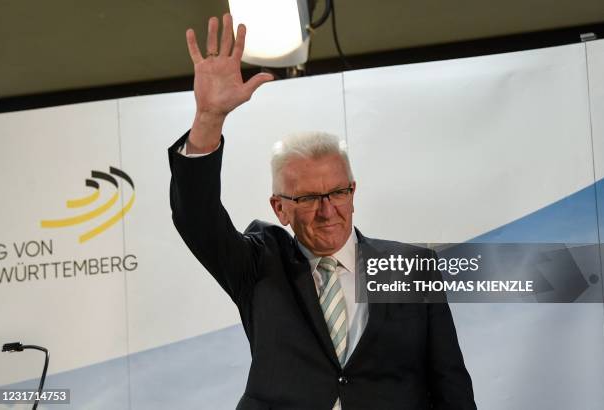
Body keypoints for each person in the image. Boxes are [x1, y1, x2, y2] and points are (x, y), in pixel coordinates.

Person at [169, 13, 476, 410]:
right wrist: (209, 119)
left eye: (337, 192)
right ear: (279, 208)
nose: (327, 210)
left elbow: (449, 380)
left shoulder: (411, 268)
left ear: (353, 191)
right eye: (309, 198)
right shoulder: (259, 265)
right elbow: (197, 217)